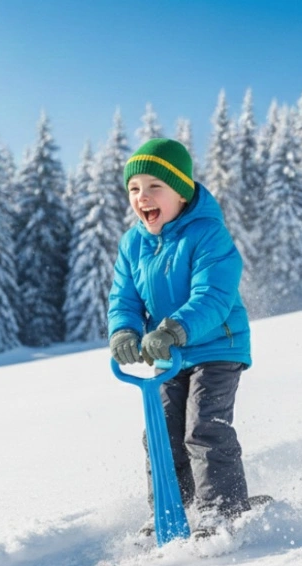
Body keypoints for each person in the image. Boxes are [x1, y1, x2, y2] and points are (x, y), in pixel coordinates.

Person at [108, 138, 252, 539]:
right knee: (161, 432)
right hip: (169, 355)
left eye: (155, 187)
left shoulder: (208, 234)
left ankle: (220, 510)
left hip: (217, 346)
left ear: (182, 191)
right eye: (134, 189)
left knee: (203, 426)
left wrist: (174, 328)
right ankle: (171, 512)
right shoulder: (132, 243)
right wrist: (124, 330)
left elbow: (215, 296)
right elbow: (124, 297)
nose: (143, 197)